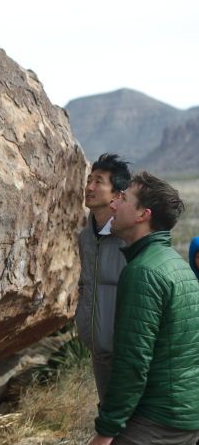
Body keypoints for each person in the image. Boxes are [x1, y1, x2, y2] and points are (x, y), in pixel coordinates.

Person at [86, 172, 199, 445]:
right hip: (186, 415)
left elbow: (133, 363)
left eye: (123, 198)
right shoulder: (175, 264)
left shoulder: (143, 272)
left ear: (142, 215)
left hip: (156, 420)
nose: (114, 201)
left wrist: (107, 429)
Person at [75, 153, 131, 404]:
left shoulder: (130, 238)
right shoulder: (85, 237)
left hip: (127, 352)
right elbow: (86, 285)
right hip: (98, 349)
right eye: (89, 180)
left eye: (98, 182)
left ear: (117, 195)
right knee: (108, 414)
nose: (89, 187)